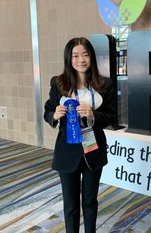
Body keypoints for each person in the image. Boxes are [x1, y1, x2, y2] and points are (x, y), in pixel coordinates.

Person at [44, 37, 116, 233]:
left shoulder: (105, 84)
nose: (81, 60)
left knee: (90, 201)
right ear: (69, 59)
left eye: (85, 54)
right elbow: (48, 111)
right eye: (75, 55)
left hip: (94, 149)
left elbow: (111, 116)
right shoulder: (58, 83)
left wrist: (95, 115)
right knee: (70, 204)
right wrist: (55, 115)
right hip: (67, 152)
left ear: (91, 57)